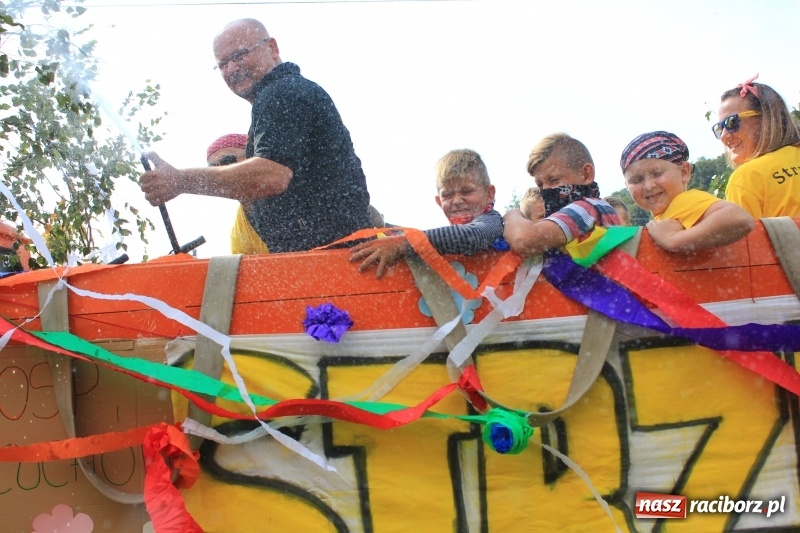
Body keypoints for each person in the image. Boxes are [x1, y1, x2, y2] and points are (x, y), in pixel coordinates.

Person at [139, 18, 371, 253]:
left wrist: (181, 180)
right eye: (223, 63)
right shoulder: (279, 96)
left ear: (272, 48)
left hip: (339, 264)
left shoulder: (283, 92)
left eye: (240, 55)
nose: (231, 68)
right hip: (329, 263)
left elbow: (272, 176)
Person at [350, 149, 503, 278]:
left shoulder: (492, 221)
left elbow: (470, 237)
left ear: (489, 194)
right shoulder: (449, 237)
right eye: (448, 195)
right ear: (439, 201)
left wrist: (403, 243)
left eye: (467, 191)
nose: (456, 200)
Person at [621, 131, 754, 252]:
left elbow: (739, 218)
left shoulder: (684, 201)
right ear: (626, 185)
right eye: (637, 180)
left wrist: (673, 240)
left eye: (657, 173)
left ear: (684, 172)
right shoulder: (668, 213)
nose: (649, 186)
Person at [503, 133, 620, 257]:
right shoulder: (603, 208)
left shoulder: (585, 209)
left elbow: (524, 242)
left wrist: (512, 214)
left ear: (586, 174)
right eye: (540, 185)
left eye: (554, 180)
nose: (546, 190)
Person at [715, 74, 800, 218]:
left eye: (731, 122)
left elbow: (745, 240)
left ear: (765, 118)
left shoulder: (747, 178)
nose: (724, 136)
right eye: (719, 128)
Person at [206, 134, 270, 255]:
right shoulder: (239, 232)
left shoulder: (290, 198)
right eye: (212, 168)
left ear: (252, 157)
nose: (220, 172)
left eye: (227, 160)